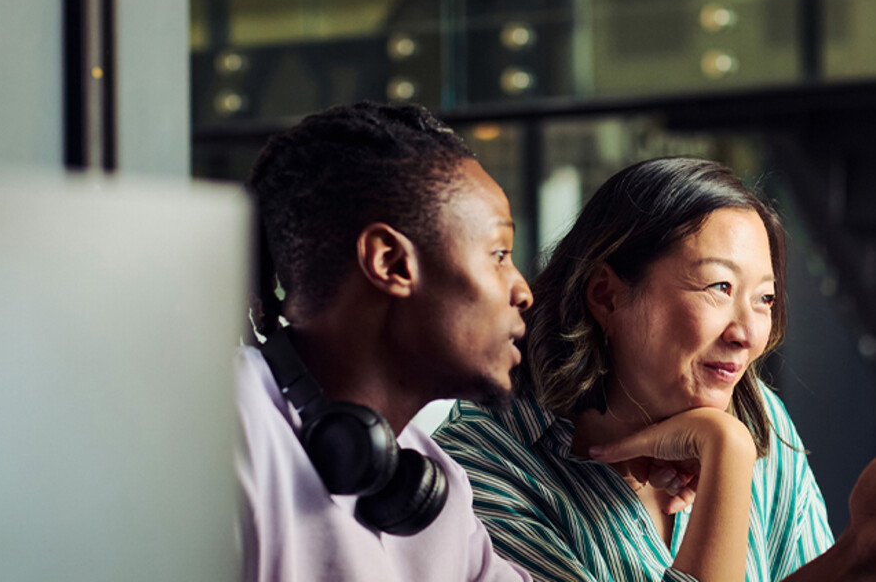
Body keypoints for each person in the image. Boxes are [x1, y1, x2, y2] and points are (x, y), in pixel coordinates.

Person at [433, 157, 876, 582]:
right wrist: (727, 454)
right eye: (720, 287)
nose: (746, 334)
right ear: (606, 296)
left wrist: (857, 552)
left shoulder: (758, 416)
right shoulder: (474, 472)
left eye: (764, 299)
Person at [237, 101, 536, 581]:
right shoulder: (227, 428)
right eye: (499, 254)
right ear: (392, 264)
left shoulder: (435, 488)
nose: (523, 292)